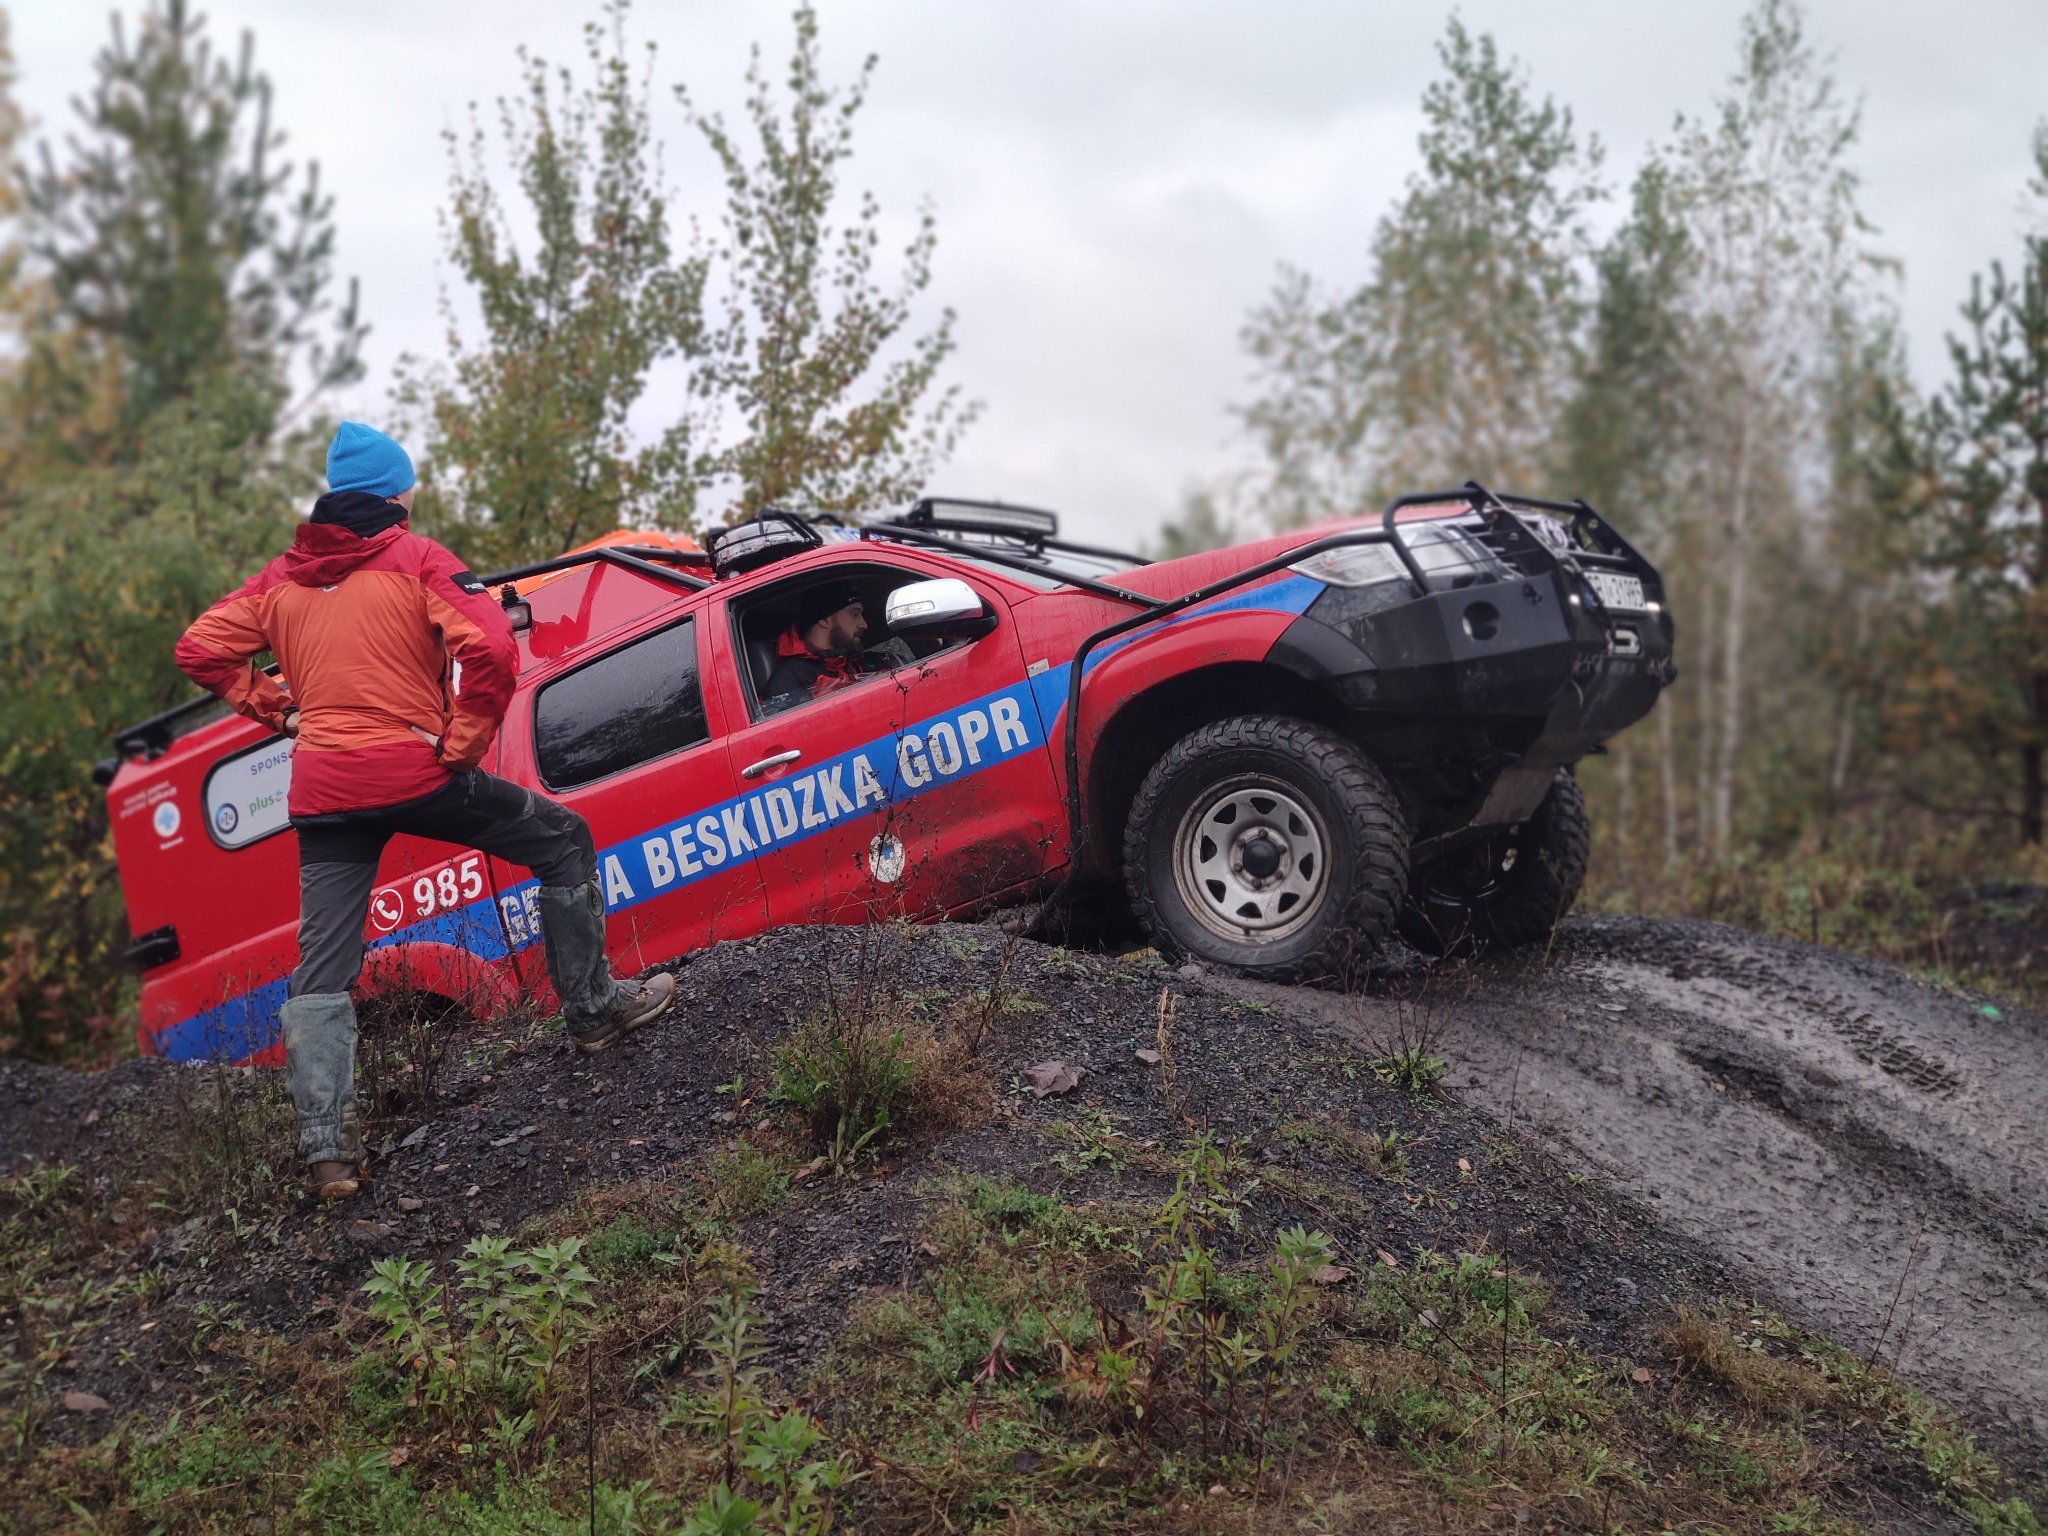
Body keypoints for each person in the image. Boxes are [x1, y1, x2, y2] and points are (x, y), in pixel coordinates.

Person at [174, 422, 676, 1202]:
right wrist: (465, 740)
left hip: (324, 792)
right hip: (411, 770)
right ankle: (594, 1011)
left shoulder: (280, 578)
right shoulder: (416, 558)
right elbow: (493, 649)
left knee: (324, 968)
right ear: (394, 496)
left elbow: (199, 648)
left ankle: (328, 1151)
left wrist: (276, 712)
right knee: (562, 839)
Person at [760, 585, 890, 714]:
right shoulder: (789, 680)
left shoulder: (863, 664)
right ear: (824, 619)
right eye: (855, 614)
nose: (864, 624)